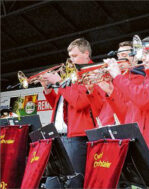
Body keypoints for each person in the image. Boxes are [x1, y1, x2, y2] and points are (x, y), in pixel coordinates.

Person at [101, 36, 149, 179]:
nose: (142, 58)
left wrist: (118, 77)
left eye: (146, 53)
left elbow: (144, 100)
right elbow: (126, 116)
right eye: (142, 54)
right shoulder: (144, 82)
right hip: (133, 150)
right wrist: (110, 91)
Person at [40, 38, 100, 188]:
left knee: (74, 182)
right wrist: (48, 89)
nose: (71, 60)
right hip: (59, 136)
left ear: (86, 53)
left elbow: (80, 103)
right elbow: (61, 105)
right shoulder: (72, 73)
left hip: (77, 137)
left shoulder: (93, 72)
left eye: (74, 56)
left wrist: (60, 82)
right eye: (70, 56)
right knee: (51, 183)